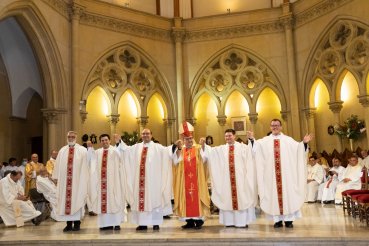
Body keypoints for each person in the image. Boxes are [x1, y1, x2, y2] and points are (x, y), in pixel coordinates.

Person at [252, 119, 312, 228]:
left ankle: (289, 220)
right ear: (270, 127)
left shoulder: (288, 140)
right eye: (273, 125)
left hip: (286, 176)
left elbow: (299, 150)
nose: (275, 127)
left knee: (287, 195)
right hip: (271, 176)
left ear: (281, 127)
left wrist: (304, 143)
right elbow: (255, 149)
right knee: (273, 196)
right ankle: (277, 220)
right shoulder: (264, 141)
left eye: (277, 125)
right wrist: (252, 140)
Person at [115, 129, 173, 231]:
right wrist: (120, 141)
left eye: (147, 134)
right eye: (143, 134)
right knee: (141, 200)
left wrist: (175, 146)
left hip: (153, 181)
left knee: (154, 200)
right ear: (141, 136)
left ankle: (155, 223)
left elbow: (167, 151)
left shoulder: (157, 147)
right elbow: (125, 150)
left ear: (151, 135)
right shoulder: (136, 147)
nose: (145, 135)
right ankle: (142, 224)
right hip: (139, 182)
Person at [200, 128, 256, 228]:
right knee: (227, 199)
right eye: (226, 136)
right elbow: (210, 152)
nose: (228, 138)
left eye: (230, 136)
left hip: (240, 180)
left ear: (234, 136)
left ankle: (241, 222)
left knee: (241, 198)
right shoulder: (221, 149)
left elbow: (252, 152)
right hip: (226, 181)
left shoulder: (242, 147)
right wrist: (204, 146)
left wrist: (251, 139)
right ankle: (229, 222)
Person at [172, 122, 210, 230]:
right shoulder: (181, 149)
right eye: (187, 139)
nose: (189, 141)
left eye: (190, 138)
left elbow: (205, 158)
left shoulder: (198, 148)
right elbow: (175, 161)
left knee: (196, 198)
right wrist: (178, 149)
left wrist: (203, 146)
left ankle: (198, 221)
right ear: (183, 140)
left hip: (197, 181)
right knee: (185, 198)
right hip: (184, 181)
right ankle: (189, 221)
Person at [87, 134, 126, 230]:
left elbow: (123, 155)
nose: (105, 142)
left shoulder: (115, 150)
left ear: (109, 141)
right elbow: (90, 161)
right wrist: (90, 149)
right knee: (103, 202)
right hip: (101, 184)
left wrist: (118, 142)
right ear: (100, 142)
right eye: (103, 140)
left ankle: (116, 223)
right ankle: (105, 224)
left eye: (106, 140)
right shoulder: (97, 152)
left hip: (114, 182)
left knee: (115, 200)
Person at [52, 131, 89, 232]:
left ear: (76, 138)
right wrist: (55, 177)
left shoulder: (82, 150)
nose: (71, 138)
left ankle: (77, 224)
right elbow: (57, 165)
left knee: (77, 200)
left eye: (73, 137)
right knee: (65, 202)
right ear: (67, 137)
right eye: (69, 137)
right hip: (65, 182)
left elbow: (87, 164)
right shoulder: (62, 150)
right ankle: (68, 224)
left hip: (78, 182)